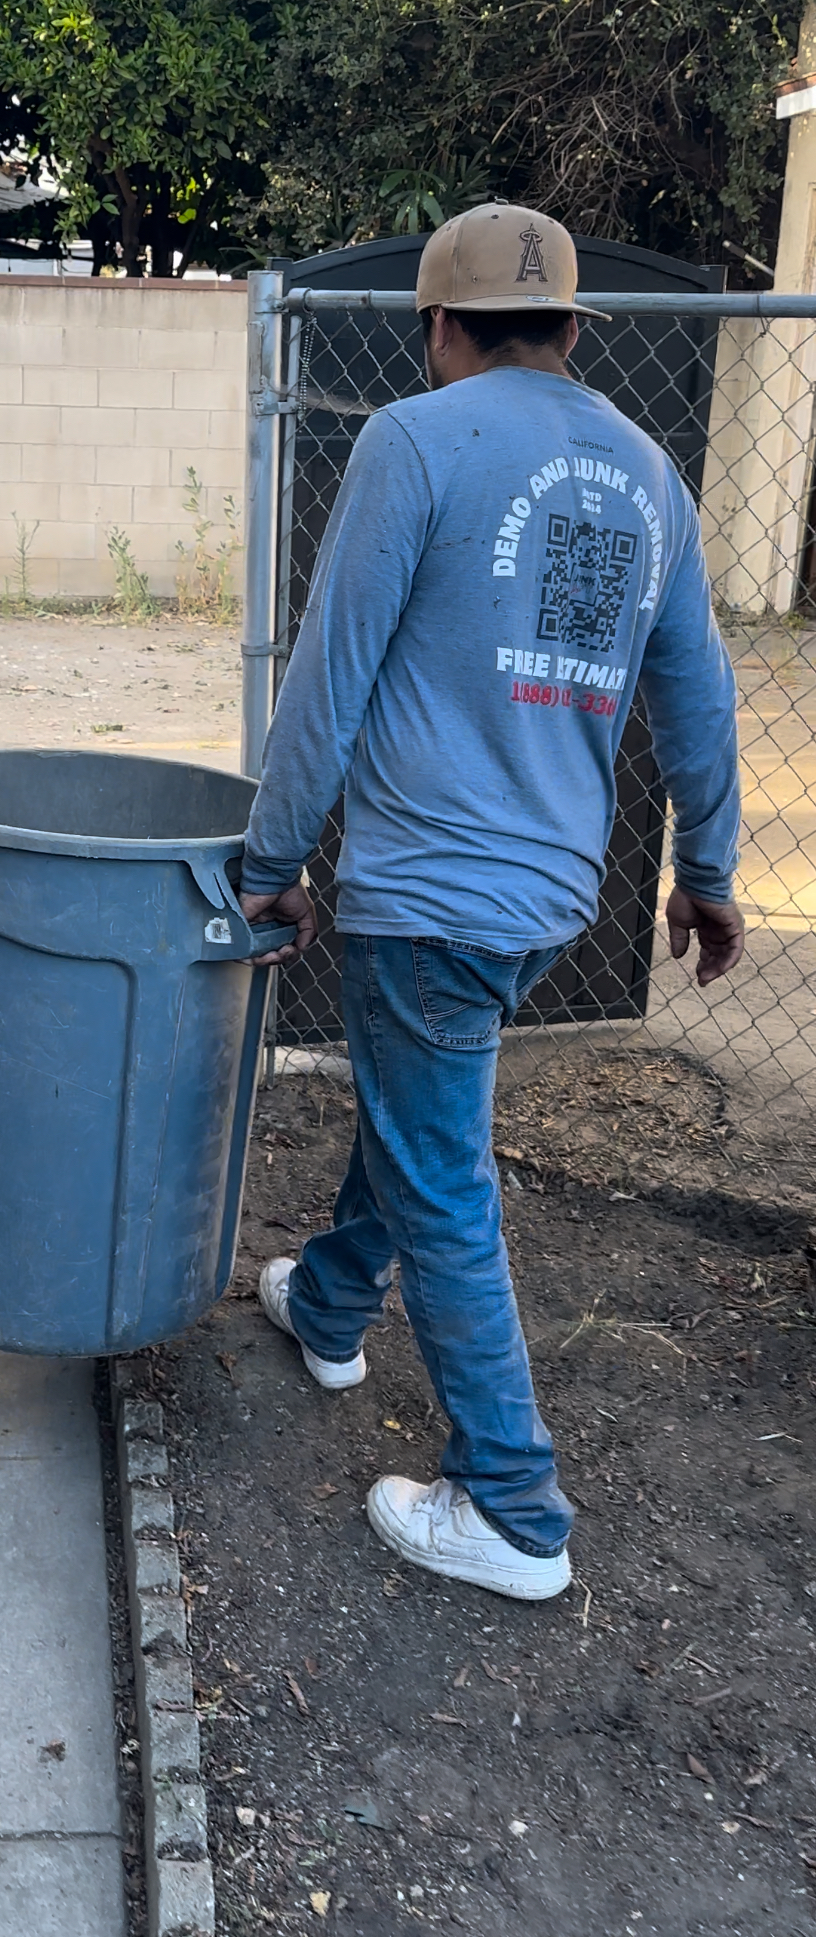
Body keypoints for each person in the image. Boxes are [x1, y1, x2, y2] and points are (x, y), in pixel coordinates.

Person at [239, 204, 743, 1601]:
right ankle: (329, 1304)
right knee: (418, 1111)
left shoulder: (412, 440)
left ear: (436, 331)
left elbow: (327, 673)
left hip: (428, 893)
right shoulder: (649, 471)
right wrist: (704, 869)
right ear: (574, 330)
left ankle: (514, 1506)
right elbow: (695, 696)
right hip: (549, 899)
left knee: (440, 1171)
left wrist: (268, 858)